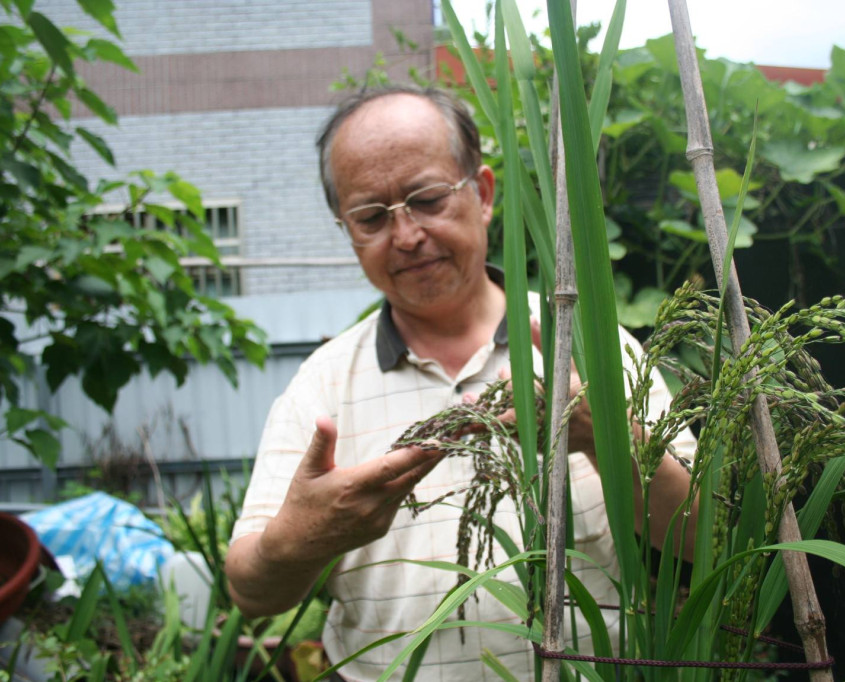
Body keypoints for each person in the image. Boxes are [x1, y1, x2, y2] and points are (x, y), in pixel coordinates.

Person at [225, 85, 697, 681]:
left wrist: (600, 432)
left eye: (426, 199)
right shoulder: (322, 385)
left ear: (483, 193)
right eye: (371, 216)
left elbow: (699, 533)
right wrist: (300, 538)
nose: (405, 237)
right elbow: (251, 590)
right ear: (347, 230)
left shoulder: (585, 346)